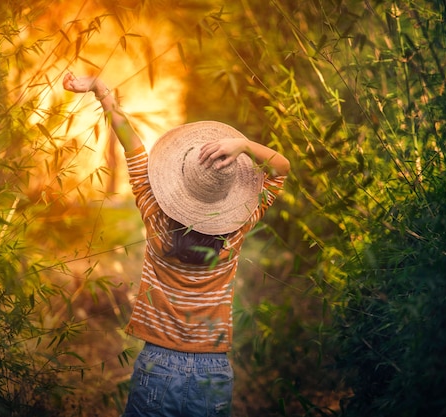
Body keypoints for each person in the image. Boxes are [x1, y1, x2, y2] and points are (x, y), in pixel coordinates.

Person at [63, 72, 290, 417]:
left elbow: (132, 146)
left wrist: (100, 90)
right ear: (227, 197)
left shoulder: (155, 220)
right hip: (213, 373)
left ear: (178, 184)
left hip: (159, 366)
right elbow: (281, 168)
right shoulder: (238, 228)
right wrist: (242, 145)